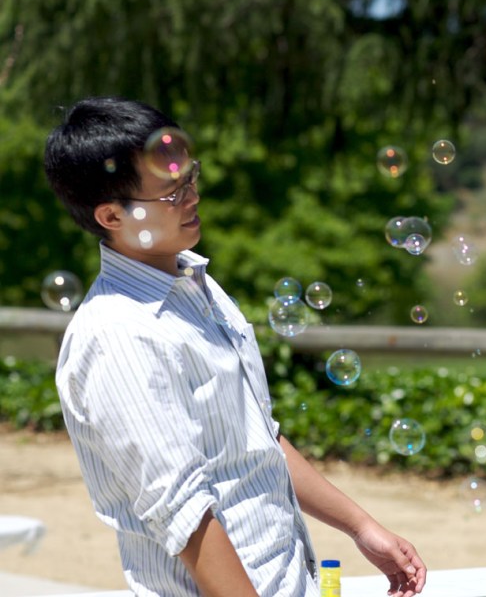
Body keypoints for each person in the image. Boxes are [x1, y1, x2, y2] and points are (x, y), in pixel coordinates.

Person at [44, 96, 427, 597]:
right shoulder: (117, 334)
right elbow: (184, 517)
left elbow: (255, 437)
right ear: (112, 215)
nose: (192, 196)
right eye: (171, 192)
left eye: (190, 176)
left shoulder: (197, 282)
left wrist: (360, 527)